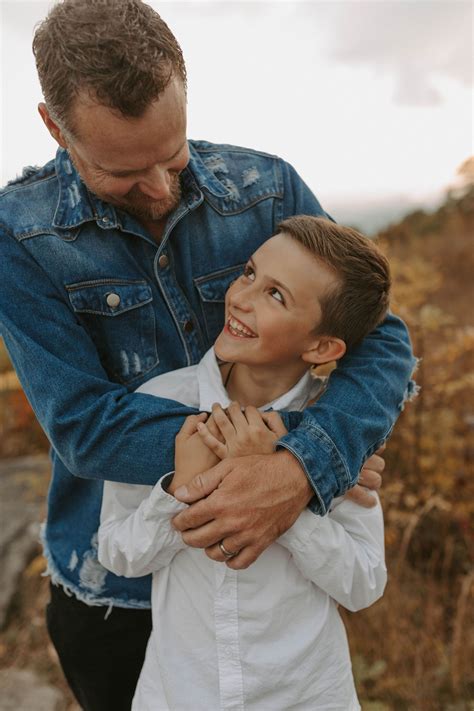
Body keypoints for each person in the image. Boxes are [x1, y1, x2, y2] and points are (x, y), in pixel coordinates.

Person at [0, 1, 415, 709]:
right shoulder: (20, 235)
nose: (160, 188)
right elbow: (84, 425)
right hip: (120, 595)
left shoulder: (268, 188)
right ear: (54, 128)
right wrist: (286, 452)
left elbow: (380, 338)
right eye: (123, 169)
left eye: (173, 153)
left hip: (281, 609)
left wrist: (304, 461)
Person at [98, 215, 390, 710]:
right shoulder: (159, 402)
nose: (242, 297)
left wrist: (284, 492)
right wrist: (180, 489)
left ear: (321, 347)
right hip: (181, 694)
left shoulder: (335, 431)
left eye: (276, 295)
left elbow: (363, 583)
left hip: (306, 695)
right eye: (250, 273)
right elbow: (118, 554)